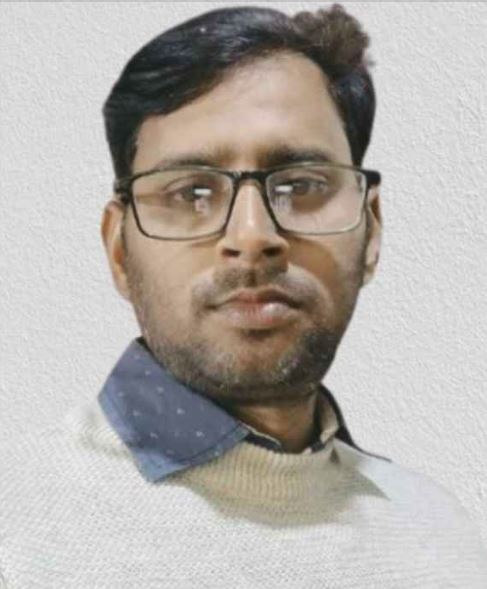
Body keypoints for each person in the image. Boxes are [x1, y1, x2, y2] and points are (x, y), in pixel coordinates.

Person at [1, 4, 486, 587]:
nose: (252, 236)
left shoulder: (444, 537)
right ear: (120, 251)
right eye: (191, 193)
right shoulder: (17, 525)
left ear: (372, 229)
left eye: (301, 185)